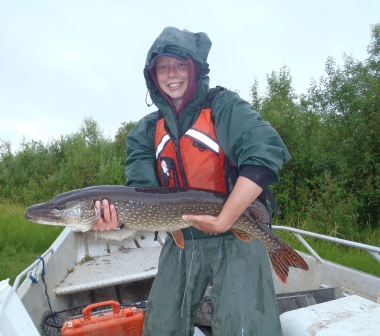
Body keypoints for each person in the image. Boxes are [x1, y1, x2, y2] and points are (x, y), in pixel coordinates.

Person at [93, 27, 290, 335]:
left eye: (180, 64)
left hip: (237, 229)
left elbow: (266, 152)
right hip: (183, 238)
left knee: (244, 326)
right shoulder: (144, 132)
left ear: (195, 68)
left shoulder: (224, 107)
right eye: (163, 67)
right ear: (152, 75)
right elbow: (142, 198)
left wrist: (225, 219)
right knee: (161, 325)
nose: (172, 74)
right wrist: (115, 223)